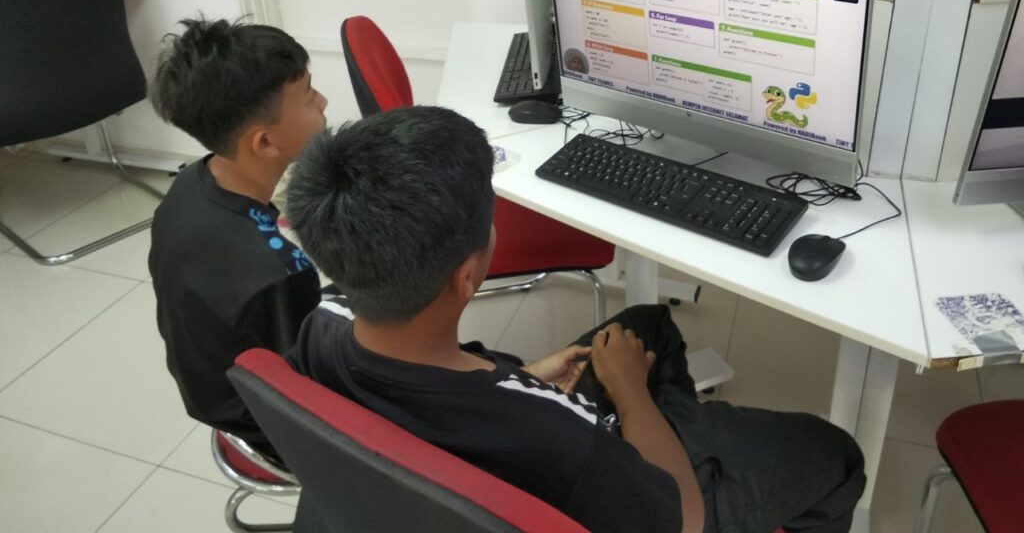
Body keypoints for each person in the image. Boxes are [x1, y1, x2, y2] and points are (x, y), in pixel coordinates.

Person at [284, 105, 866, 533]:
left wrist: (523, 378)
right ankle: (685, 443)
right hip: (642, 500)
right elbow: (680, 521)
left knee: (647, 325)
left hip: (482, 437)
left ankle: (685, 429)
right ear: (468, 276)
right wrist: (629, 392)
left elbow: (440, 404)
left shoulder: (320, 326)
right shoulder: (557, 435)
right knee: (836, 454)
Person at [148, 18, 328, 459]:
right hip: (272, 427)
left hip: (213, 390)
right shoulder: (280, 274)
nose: (323, 101)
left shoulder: (189, 183)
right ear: (264, 143)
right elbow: (312, 386)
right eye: (309, 96)